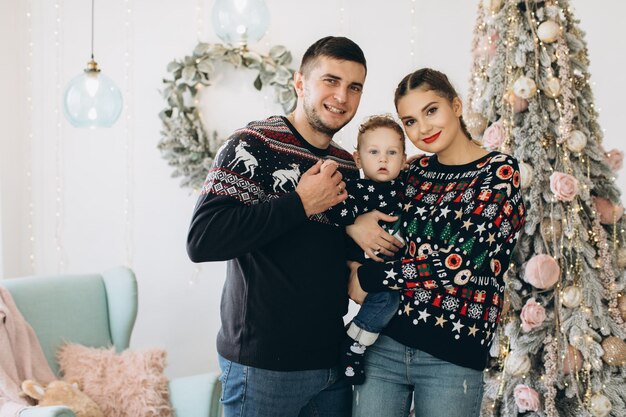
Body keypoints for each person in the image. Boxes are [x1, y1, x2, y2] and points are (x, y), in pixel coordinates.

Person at [186, 36, 367, 417]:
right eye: (330, 81)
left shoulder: (348, 165)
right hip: (261, 367)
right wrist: (299, 203)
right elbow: (202, 240)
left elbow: (336, 251)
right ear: (300, 83)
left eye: (354, 87)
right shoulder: (253, 144)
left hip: (332, 363)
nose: (342, 97)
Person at [346, 68, 526, 417]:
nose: (423, 128)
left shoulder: (499, 172)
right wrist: (355, 227)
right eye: (410, 121)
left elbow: (458, 265)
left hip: (452, 355)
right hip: (384, 344)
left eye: (431, 111)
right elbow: (372, 215)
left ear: (456, 106)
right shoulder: (412, 173)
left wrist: (367, 278)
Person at [323, 115, 406, 385]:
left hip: (393, 267)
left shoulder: (407, 189)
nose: (383, 159)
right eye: (374, 152)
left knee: (394, 302)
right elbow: (335, 214)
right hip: (363, 265)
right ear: (358, 160)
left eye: (391, 153)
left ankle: (359, 338)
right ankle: (354, 342)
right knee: (387, 301)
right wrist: (353, 224)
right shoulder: (356, 190)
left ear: (404, 160)